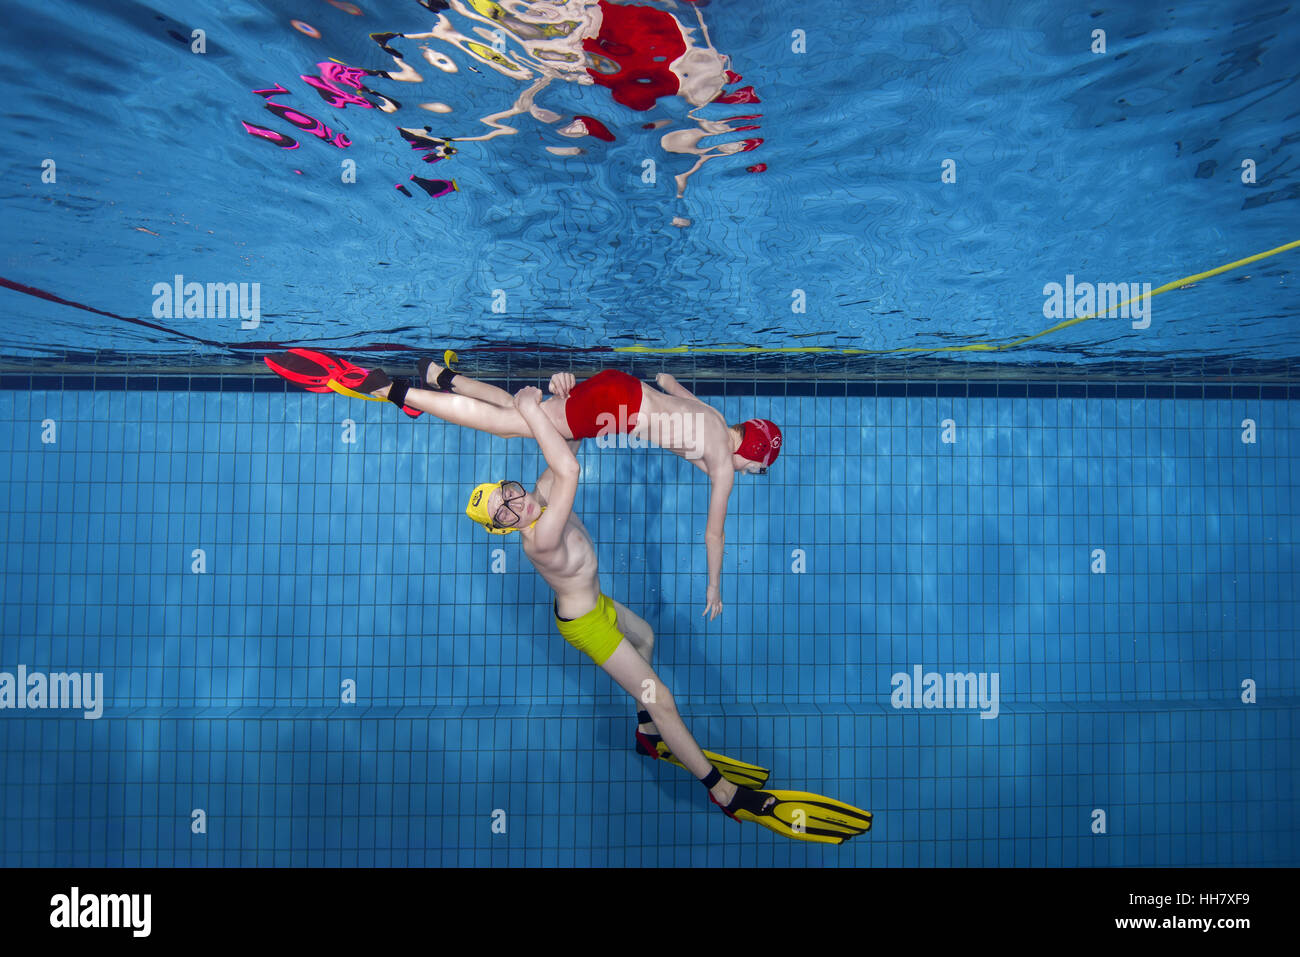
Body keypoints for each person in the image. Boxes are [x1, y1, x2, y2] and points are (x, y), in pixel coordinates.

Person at [463, 384, 871, 844]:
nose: (519, 505)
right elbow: (568, 466)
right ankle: (722, 792)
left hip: (595, 603)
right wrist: (530, 410)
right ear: (503, 528)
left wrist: (564, 397)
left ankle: (647, 735)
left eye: (511, 493)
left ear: (513, 486)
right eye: (507, 512)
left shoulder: (538, 497)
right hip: (586, 625)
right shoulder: (540, 534)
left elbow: (567, 444)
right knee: (662, 698)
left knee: (647, 638)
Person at [265, 348, 781, 620]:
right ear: (752, 458)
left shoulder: (714, 419)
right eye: (754, 471)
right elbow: (714, 534)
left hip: (622, 389)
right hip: (613, 409)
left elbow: (670, 387)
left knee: (521, 412)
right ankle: (396, 391)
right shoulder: (720, 464)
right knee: (512, 421)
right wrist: (714, 584)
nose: (745, 477)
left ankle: (437, 378)